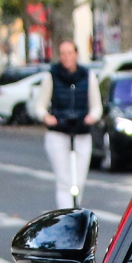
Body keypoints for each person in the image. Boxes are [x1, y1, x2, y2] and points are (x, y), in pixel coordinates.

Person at [37, 37, 96, 211]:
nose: (66, 57)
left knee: (78, 181)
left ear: (76, 55)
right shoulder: (51, 76)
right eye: (63, 54)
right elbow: (40, 105)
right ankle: (66, 215)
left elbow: (96, 107)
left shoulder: (88, 76)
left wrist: (91, 117)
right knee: (64, 181)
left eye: (70, 53)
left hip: (81, 132)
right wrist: (46, 117)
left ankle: (76, 210)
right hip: (59, 132)